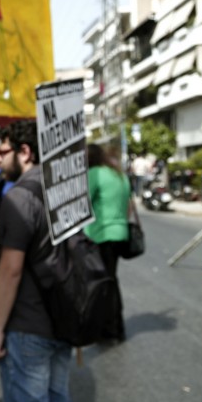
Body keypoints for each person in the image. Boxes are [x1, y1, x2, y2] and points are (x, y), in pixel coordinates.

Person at [0, 120, 77, 402]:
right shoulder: (66, 189)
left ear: (25, 151)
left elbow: (10, 269)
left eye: (3, 151)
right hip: (64, 318)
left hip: (28, 326)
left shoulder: (20, 197)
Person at [85, 143, 131, 342]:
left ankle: (109, 329)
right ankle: (115, 327)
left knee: (103, 284)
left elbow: (82, 202)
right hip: (120, 233)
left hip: (100, 235)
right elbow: (128, 206)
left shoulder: (94, 174)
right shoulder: (119, 175)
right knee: (111, 281)